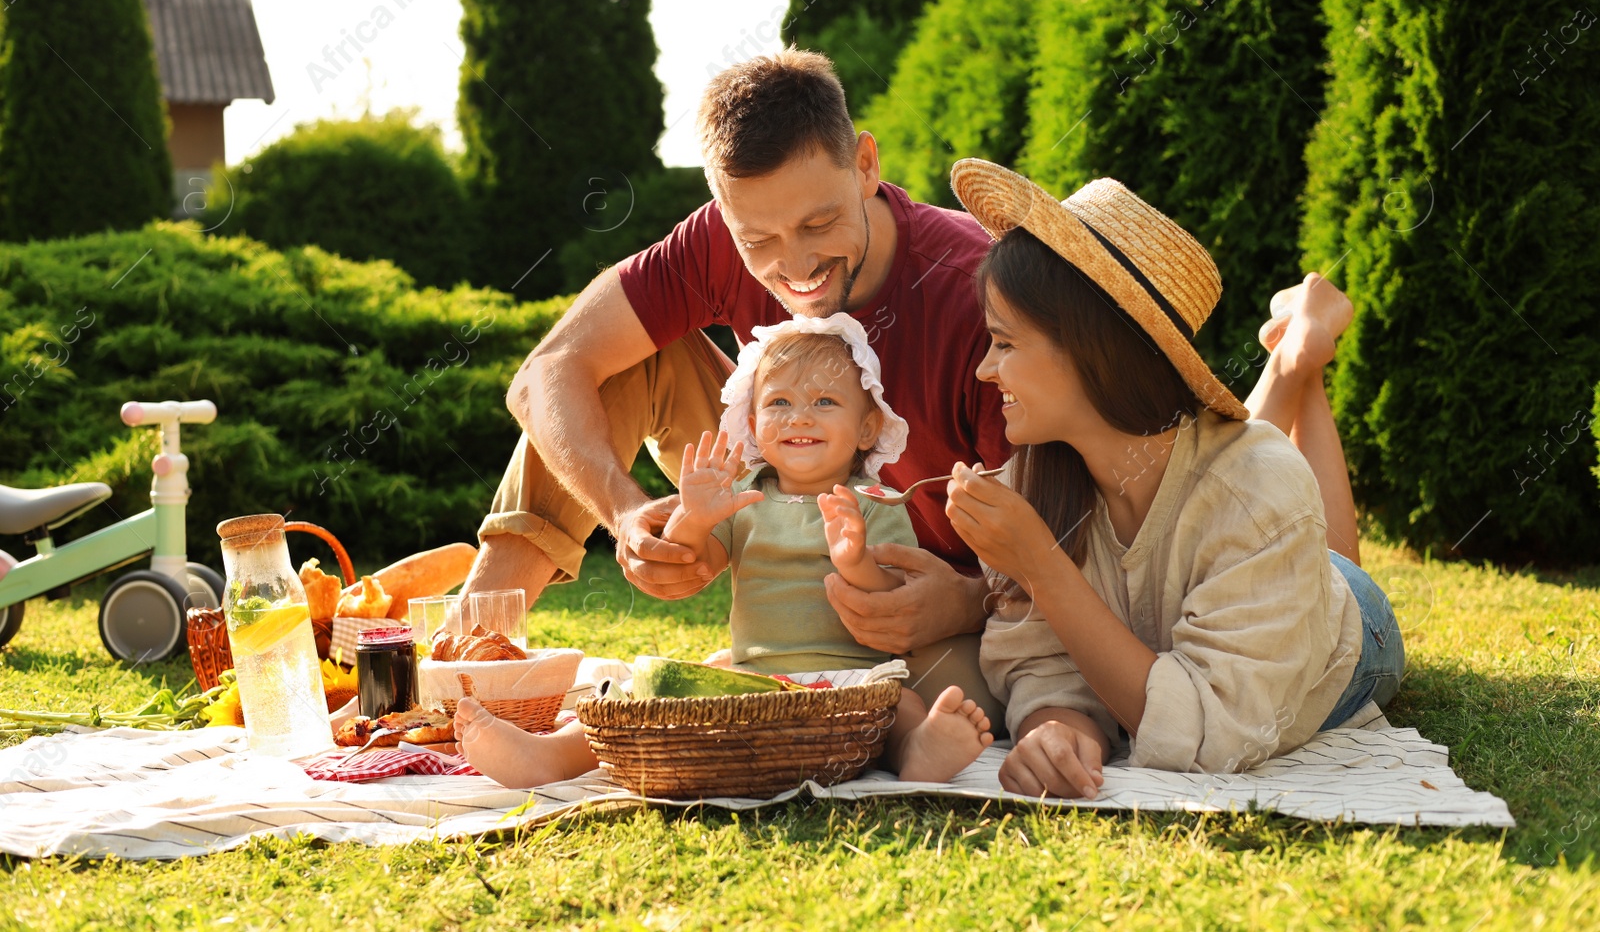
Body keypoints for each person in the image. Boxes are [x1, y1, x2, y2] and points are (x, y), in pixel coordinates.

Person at [460, 49, 1013, 723]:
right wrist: (626, 512)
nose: (798, 264)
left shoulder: (974, 290)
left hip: (924, 564)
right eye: (761, 239)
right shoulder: (718, 240)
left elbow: (1068, 523)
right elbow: (545, 372)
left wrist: (967, 597)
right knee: (618, 360)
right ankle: (466, 659)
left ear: (865, 165)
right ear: (724, 211)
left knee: (956, 696)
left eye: (818, 224)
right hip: (772, 468)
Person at [938, 160, 1404, 800]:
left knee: (1321, 552)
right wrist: (1062, 727)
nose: (986, 370)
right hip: (1247, 535)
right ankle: (1295, 354)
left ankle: (1299, 362)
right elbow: (1043, 662)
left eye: (1004, 343)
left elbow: (1218, 732)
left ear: (1090, 349)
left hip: (1343, 634)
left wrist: (1042, 565)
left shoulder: (1260, 490)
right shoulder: (1036, 480)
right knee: (1225, 475)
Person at [455, 316, 995, 786]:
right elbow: (697, 563)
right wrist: (696, 518)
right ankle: (552, 756)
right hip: (752, 680)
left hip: (852, 682)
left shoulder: (875, 502)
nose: (799, 417)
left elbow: (893, 604)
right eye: (779, 403)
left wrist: (855, 561)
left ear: (867, 427)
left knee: (903, 707)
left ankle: (920, 751)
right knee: (644, 700)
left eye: (825, 402)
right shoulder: (747, 499)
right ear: (755, 425)